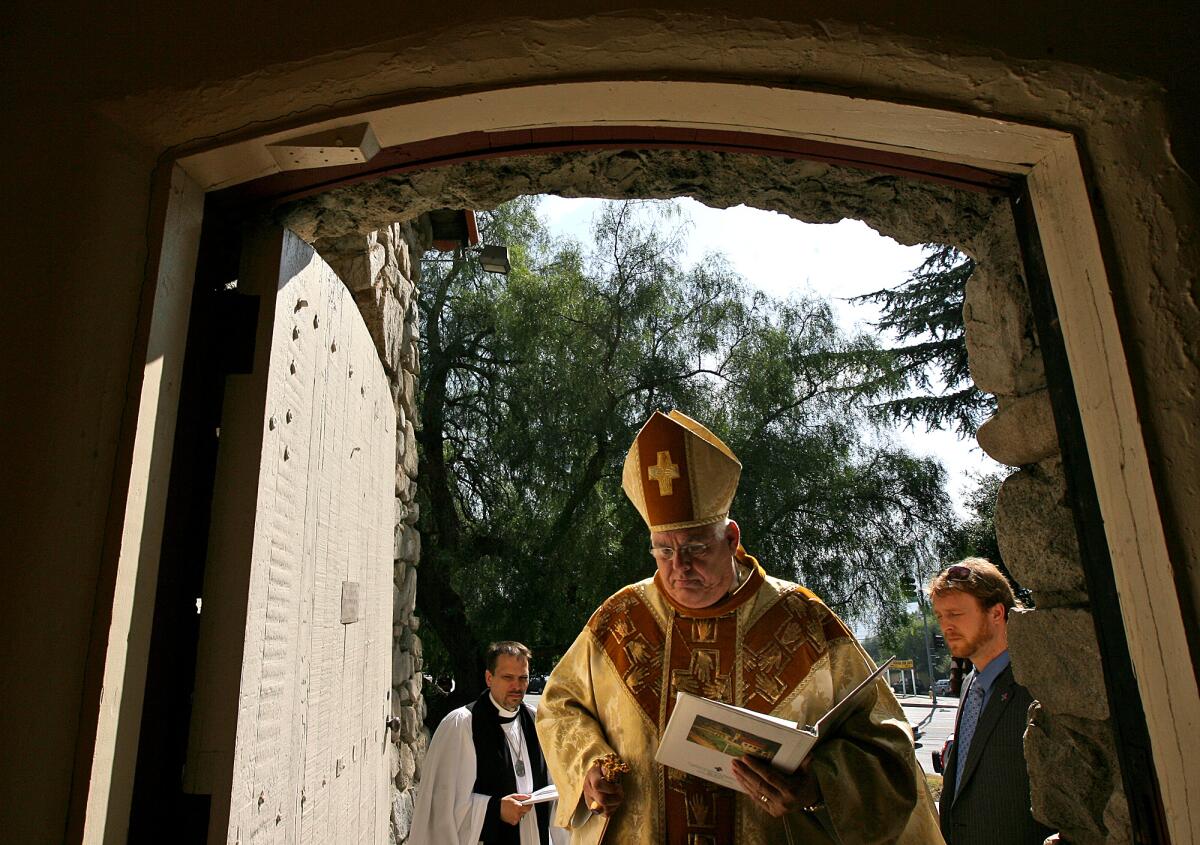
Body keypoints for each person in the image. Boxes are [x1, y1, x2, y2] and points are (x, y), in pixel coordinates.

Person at [536, 410, 941, 844]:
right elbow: (559, 706)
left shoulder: (802, 619)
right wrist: (590, 766)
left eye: (695, 547)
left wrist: (815, 785)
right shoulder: (620, 619)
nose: (680, 567)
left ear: (730, 538)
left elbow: (885, 744)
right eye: (664, 551)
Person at [929, 558, 1055, 845]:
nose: (946, 626)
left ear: (997, 613)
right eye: (939, 616)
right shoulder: (971, 684)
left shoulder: (1035, 683)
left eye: (956, 614)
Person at [410, 641, 567, 845]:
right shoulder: (461, 725)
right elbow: (441, 808)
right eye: (508, 678)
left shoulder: (537, 721)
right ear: (489, 678)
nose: (517, 686)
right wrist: (496, 809)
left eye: (523, 678)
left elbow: (558, 791)